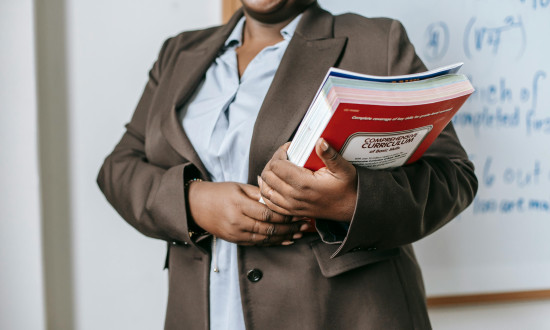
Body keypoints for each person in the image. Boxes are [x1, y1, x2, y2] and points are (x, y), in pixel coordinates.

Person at [97, 0, 478, 329]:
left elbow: (454, 176)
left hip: (339, 314)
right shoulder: (178, 53)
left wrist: (350, 200)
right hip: (201, 312)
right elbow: (119, 167)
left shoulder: (377, 43)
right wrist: (193, 202)